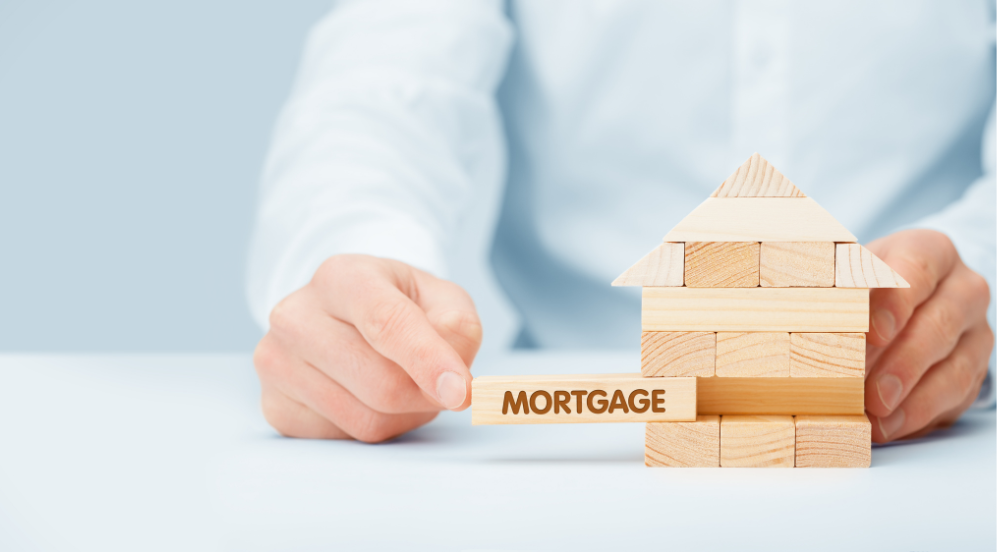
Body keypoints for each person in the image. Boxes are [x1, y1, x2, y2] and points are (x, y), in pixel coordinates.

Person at [245, 0, 996, 444]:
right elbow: (380, 89)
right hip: (559, 438)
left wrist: (974, 279)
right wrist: (361, 276)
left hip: (926, 435)